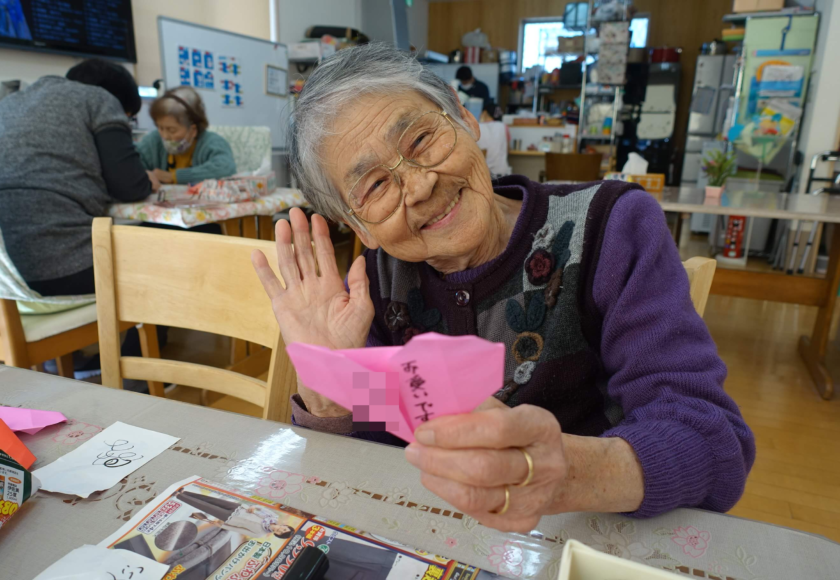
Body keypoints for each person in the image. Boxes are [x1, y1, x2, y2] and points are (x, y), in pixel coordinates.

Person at [251, 44, 755, 533]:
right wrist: (330, 389)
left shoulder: (611, 226)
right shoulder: (377, 281)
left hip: (589, 540)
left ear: (466, 121)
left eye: (421, 141)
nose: (421, 186)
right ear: (358, 227)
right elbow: (364, 472)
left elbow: (712, 441)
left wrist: (573, 472)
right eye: (376, 186)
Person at [0, 58, 158, 297]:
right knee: (162, 258)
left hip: (9, 282)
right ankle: (142, 335)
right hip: (67, 268)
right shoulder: (98, 99)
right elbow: (130, 187)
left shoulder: (8, 104)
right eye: (127, 117)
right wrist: (147, 179)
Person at [137, 86, 236, 186]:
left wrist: (173, 177)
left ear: (193, 130)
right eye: (160, 128)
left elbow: (225, 168)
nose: (165, 136)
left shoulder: (212, 142)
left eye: (172, 130)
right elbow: (131, 161)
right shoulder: (153, 141)